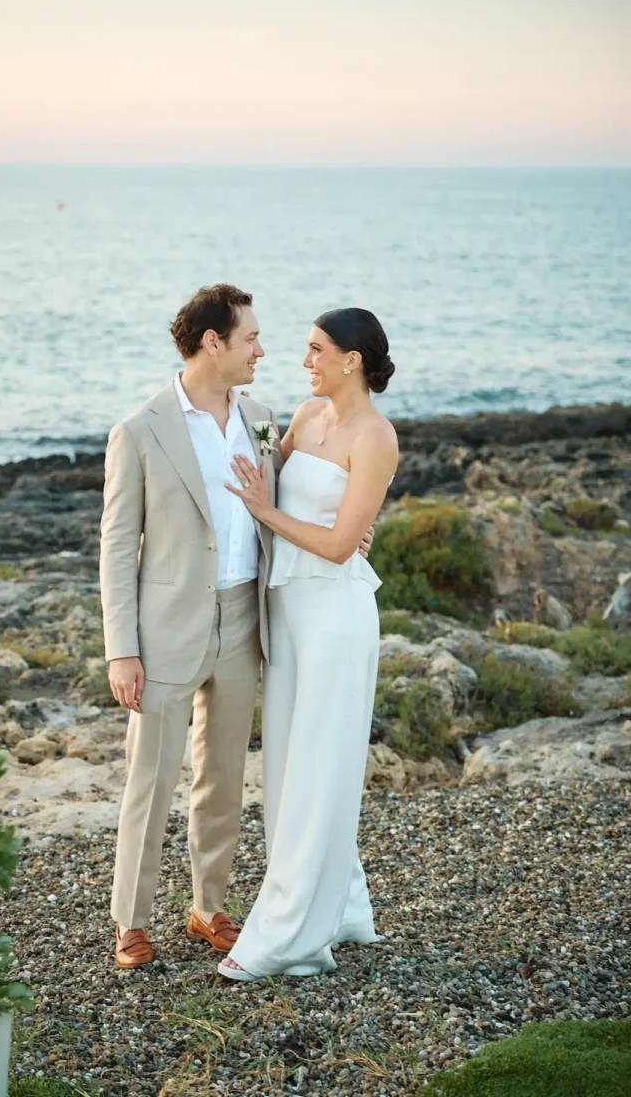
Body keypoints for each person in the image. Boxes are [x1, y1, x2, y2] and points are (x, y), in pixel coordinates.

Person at [100, 284, 373, 970]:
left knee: (222, 777)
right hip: (164, 630)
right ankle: (131, 920)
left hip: (245, 618)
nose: (262, 350)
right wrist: (121, 650)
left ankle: (209, 906)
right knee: (150, 780)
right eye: (250, 337)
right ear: (212, 342)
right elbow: (116, 547)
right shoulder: (140, 430)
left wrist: (355, 533)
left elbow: (296, 496)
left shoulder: (261, 417)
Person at [218, 307, 398, 981]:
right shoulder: (304, 415)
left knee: (319, 773)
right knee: (291, 769)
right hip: (286, 614)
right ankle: (344, 905)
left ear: (353, 360)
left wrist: (268, 512)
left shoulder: (376, 437)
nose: (305, 361)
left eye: (317, 349)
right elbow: (269, 474)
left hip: (334, 617)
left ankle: (289, 937)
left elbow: (340, 543)